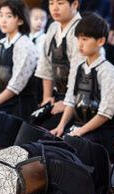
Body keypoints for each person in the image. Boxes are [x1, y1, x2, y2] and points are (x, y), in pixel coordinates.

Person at [50, 14, 114, 160]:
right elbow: (71, 100)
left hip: (103, 132)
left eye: (85, 39)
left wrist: (79, 132)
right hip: (80, 126)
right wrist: (61, 126)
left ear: (101, 41)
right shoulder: (79, 67)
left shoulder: (108, 71)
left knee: (68, 151)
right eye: (78, 38)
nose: (80, 44)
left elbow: (105, 114)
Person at [35, 0, 82, 129]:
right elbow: (46, 64)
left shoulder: (81, 30)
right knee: (31, 124)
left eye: (60, 3)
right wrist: (47, 98)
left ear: (75, 4)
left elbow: (78, 73)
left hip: (78, 100)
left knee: (41, 133)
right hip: (58, 96)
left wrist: (67, 103)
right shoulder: (53, 27)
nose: (55, 8)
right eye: (51, 3)